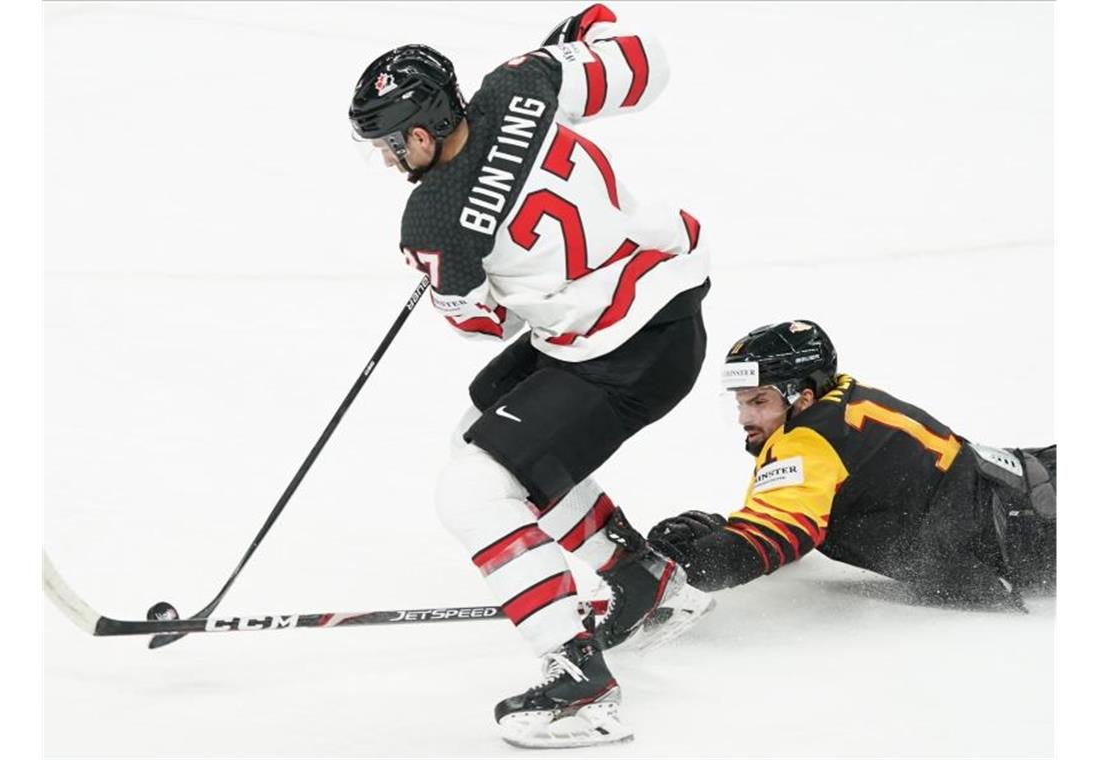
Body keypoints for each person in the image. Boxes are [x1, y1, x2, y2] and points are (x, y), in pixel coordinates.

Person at [348, 4, 713, 748]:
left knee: (474, 490)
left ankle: (580, 684)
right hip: (664, 307)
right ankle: (641, 579)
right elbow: (647, 63)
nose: (389, 161)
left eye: (389, 146)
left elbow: (485, 325)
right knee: (481, 423)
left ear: (419, 134)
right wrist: (578, 49)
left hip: (620, 353)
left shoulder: (431, 221)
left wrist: (453, 265)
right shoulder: (522, 83)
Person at [649, 320, 1056, 610]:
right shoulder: (841, 401)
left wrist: (667, 575)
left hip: (1036, 529)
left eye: (758, 401)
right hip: (1031, 486)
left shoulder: (807, 441)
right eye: (739, 402)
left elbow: (774, 537)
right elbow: (805, 512)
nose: (744, 418)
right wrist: (723, 533)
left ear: (802, 398)